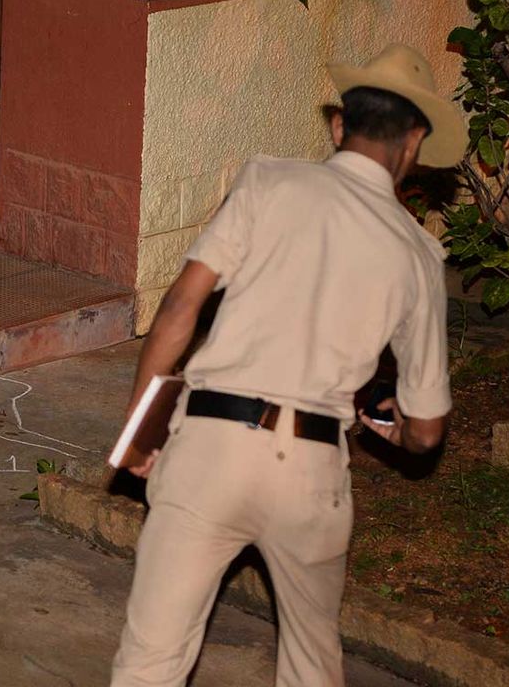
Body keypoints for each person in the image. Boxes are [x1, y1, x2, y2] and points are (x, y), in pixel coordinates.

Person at [109, 43, 463, 687]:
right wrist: (397, 432)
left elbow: (179, 309)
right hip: (310, 468)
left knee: (150, 663)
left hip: (209, 449)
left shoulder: (268, 181)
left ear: (338, 127)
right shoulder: (417, 254)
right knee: (310, 665)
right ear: (413, 143)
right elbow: (428, 430)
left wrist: (141, 435)